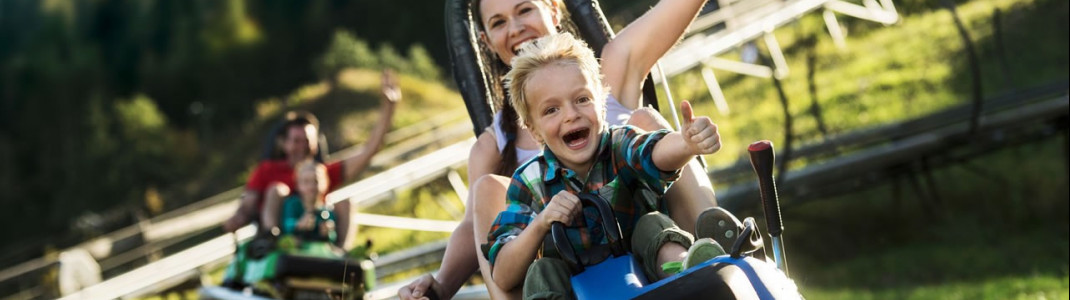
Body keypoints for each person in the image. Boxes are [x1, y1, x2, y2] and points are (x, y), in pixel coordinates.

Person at [400, 0, 719, 298]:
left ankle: (706, 256)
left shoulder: (607, 72)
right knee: (488, 190)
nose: (515, 28)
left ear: (553, 9)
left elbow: (650, 151)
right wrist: (439, 285)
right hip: (563, 266)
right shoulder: (498, 150)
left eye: (524, 10)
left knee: (645, 121)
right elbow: (474, 227)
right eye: (499, 22)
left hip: (646, 231)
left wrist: (685, 142)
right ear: (486, 41)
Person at [486, 33, 725, 297]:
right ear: (534, 130)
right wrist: (541, 223)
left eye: (582, 99)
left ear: (601, 104)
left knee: (654, 224)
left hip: (648, 279)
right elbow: (503, 273)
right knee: (541, 270)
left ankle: (685, 272)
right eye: (551, 110)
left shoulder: (619, 144)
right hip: (575, 289)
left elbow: (652, 152)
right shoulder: (529, 182)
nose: (571, 115)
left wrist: (685, 144)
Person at [223, 69, 401, 248]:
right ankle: (274, 240)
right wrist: (238, 217)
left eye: (306, 141)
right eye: (295, 141)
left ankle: (340, 254)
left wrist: (389, 108)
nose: (301, 147)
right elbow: (248, 205)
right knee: (277, 190)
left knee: (345, 202)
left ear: (315, 144)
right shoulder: (267, 170)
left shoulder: (322, 173)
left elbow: (369, 150)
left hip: (316, 238)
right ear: (284, 144)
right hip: (281, 238)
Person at [279, 159, 338, 243]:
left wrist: (328, 232)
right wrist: (298, 224)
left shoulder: (326, 211)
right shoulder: (292, 204)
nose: (311, 186)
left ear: (325, 183)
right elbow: (286, 225)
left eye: (315, 181)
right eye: (306, 182)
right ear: (298, 185)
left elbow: (333, 237)